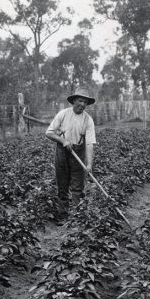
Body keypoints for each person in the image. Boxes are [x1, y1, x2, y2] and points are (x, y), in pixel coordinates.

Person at [45, 90, 97, 218]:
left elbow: (90, 144)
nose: (82, 104)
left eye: (85, 102)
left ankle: (77, 218)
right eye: (80, 100)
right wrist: (63, 140)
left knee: (77, 187)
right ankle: (63, 215)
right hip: (62, 152)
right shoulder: (63, 114)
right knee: (62, 185)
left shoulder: (88, 120)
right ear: (74, 101)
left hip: (78, 152)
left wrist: (89, 164)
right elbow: (49, 132)